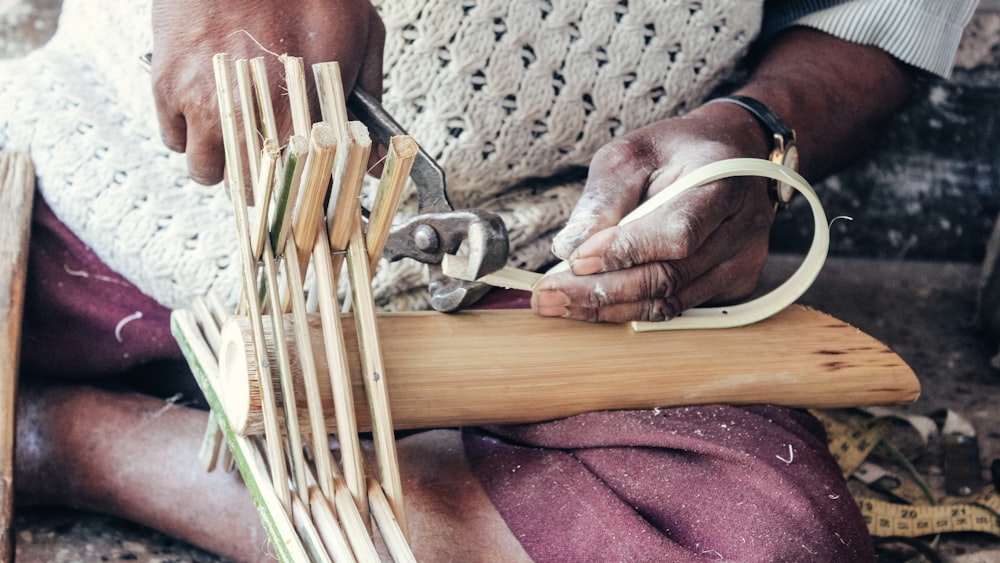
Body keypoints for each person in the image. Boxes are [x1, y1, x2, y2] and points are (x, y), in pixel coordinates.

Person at [2, 0, 977, 560]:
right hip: (106, 177)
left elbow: (880, 16)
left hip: (543, 247)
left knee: (760, 541)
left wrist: (756, 130)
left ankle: (60, 435)